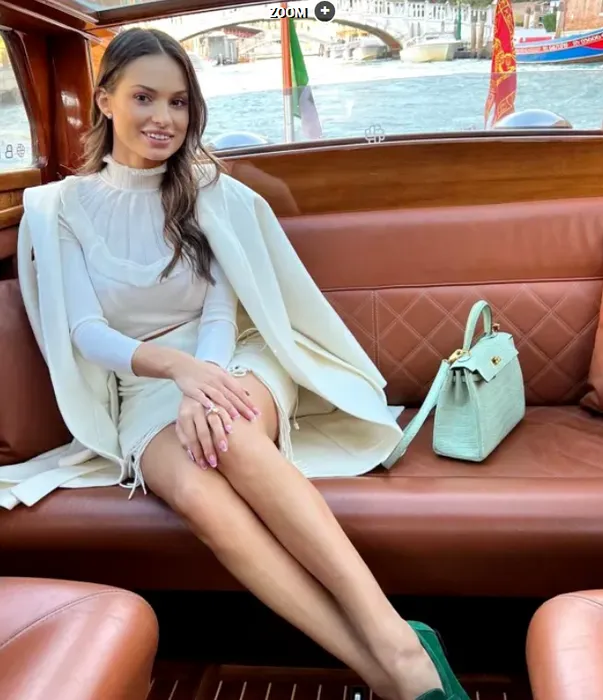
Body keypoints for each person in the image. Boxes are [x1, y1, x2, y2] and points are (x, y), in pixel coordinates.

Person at [9, 27, 469, 700]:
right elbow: (86, 332)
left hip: (231, 356)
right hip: (142, 382)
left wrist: (204, 381)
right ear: (104, 101)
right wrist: (178, 374)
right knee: (200, 498)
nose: (163, 118)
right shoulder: (58, 208)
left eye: (179, 102)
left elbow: (222, 313)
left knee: (228, 436)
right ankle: (387, 667)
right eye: (144, 97)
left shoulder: (207, 191)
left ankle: (396, 646)